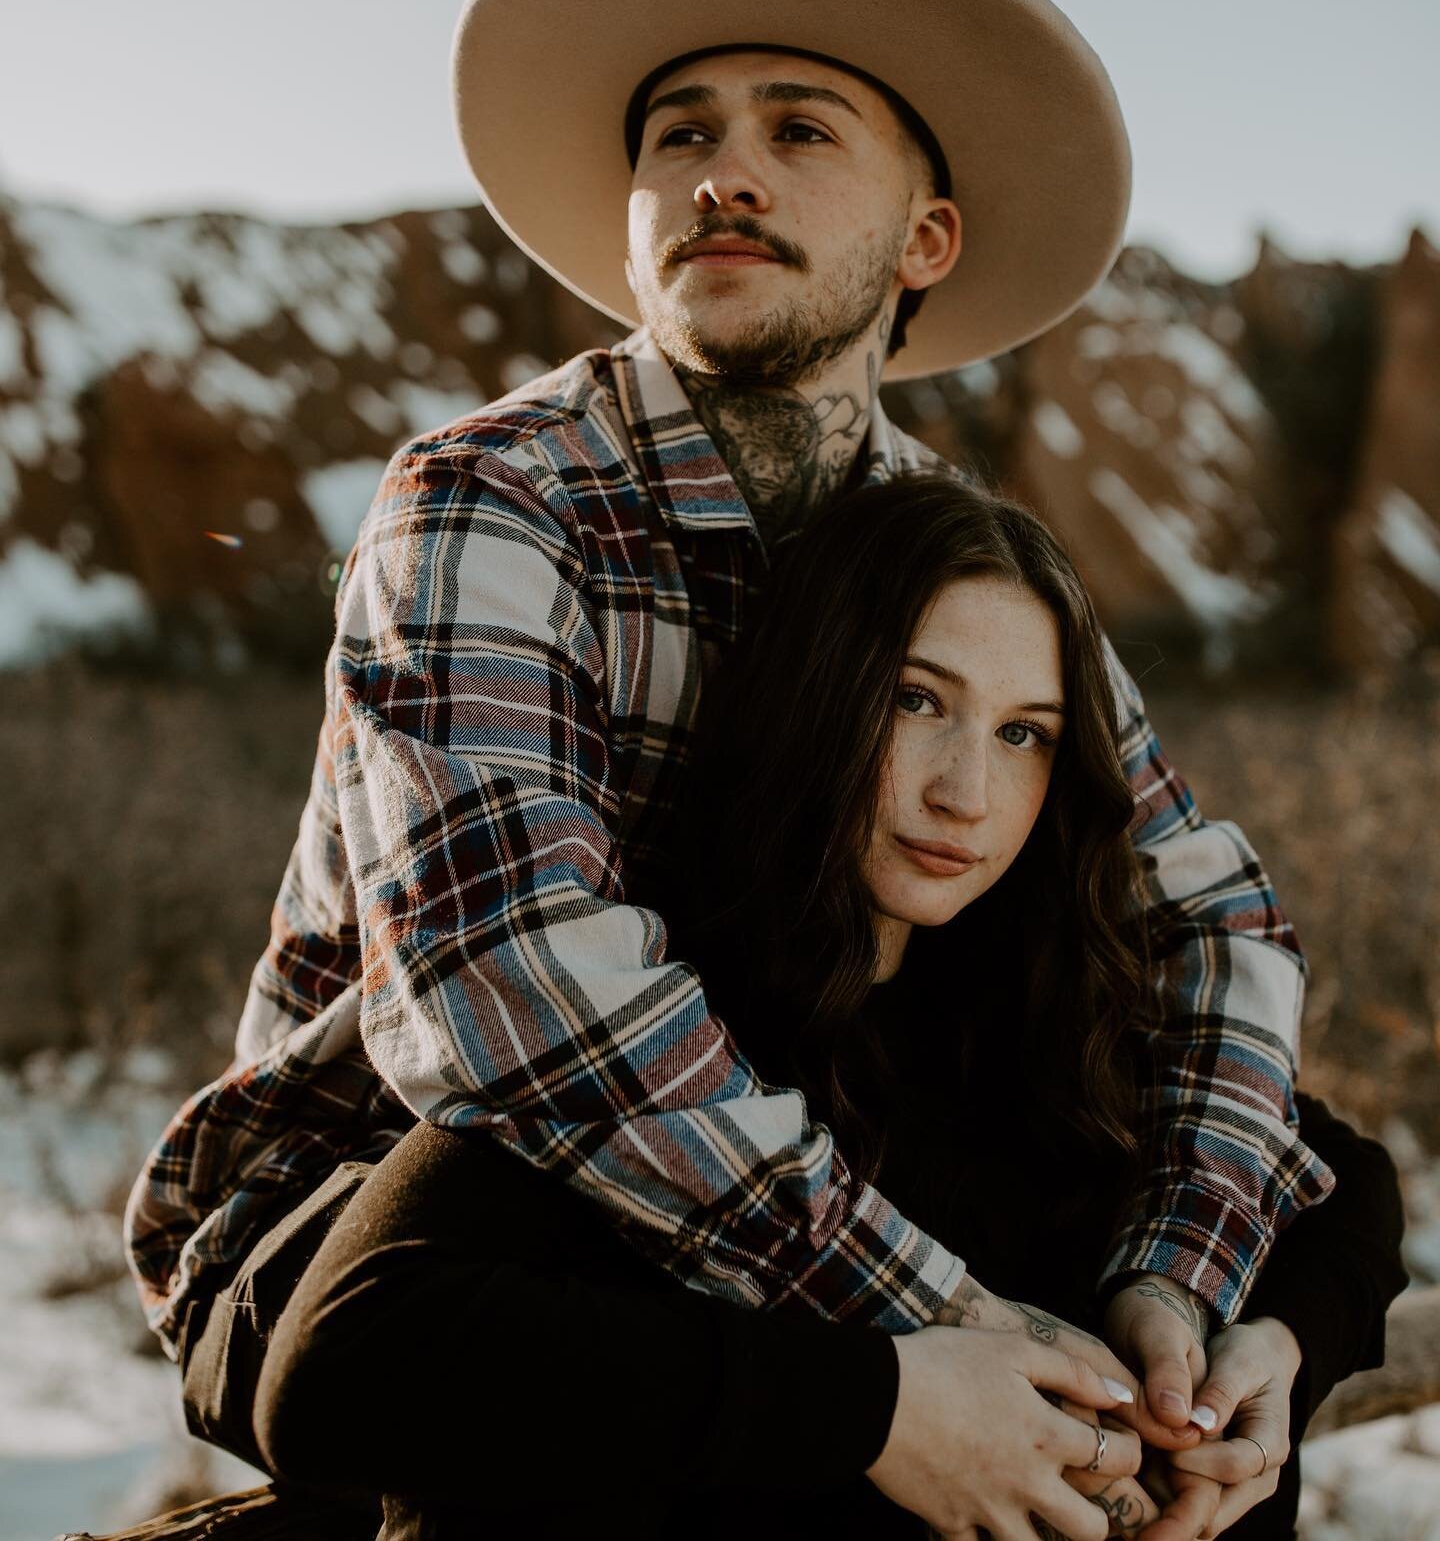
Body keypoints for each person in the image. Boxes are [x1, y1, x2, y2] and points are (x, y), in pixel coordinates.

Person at [122, 0, 1365, 1534]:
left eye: (801, 131)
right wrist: (941, 1323)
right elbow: (512, 984)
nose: (723, 170)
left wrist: (1181, 1295)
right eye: (679, 137)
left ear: (927, 241)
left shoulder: (965, 554)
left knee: (1192, 1273)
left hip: (795, 1162)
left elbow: (1209, 923)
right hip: (395, 1227)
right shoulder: (497, 500)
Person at [242, 472, 1406, 1539]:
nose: (965, 793)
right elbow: (335, 1372)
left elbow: (1331, 1174)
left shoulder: (1048, 1012)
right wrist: (876, 1409)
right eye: (912, 700)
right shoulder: (661, 1033)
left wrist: (1268, 1349)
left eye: (1023, 733)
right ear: (818, 691)